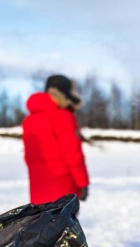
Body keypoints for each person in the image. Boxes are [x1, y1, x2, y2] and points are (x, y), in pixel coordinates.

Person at [22, 74, 90, 205]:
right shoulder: (63, 117)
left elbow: (29, 156)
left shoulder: (29, 120)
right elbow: (73, 155)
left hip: (38, 188)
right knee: (64, 224)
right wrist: (83, 183)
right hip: (63, 188)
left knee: (42, 224)